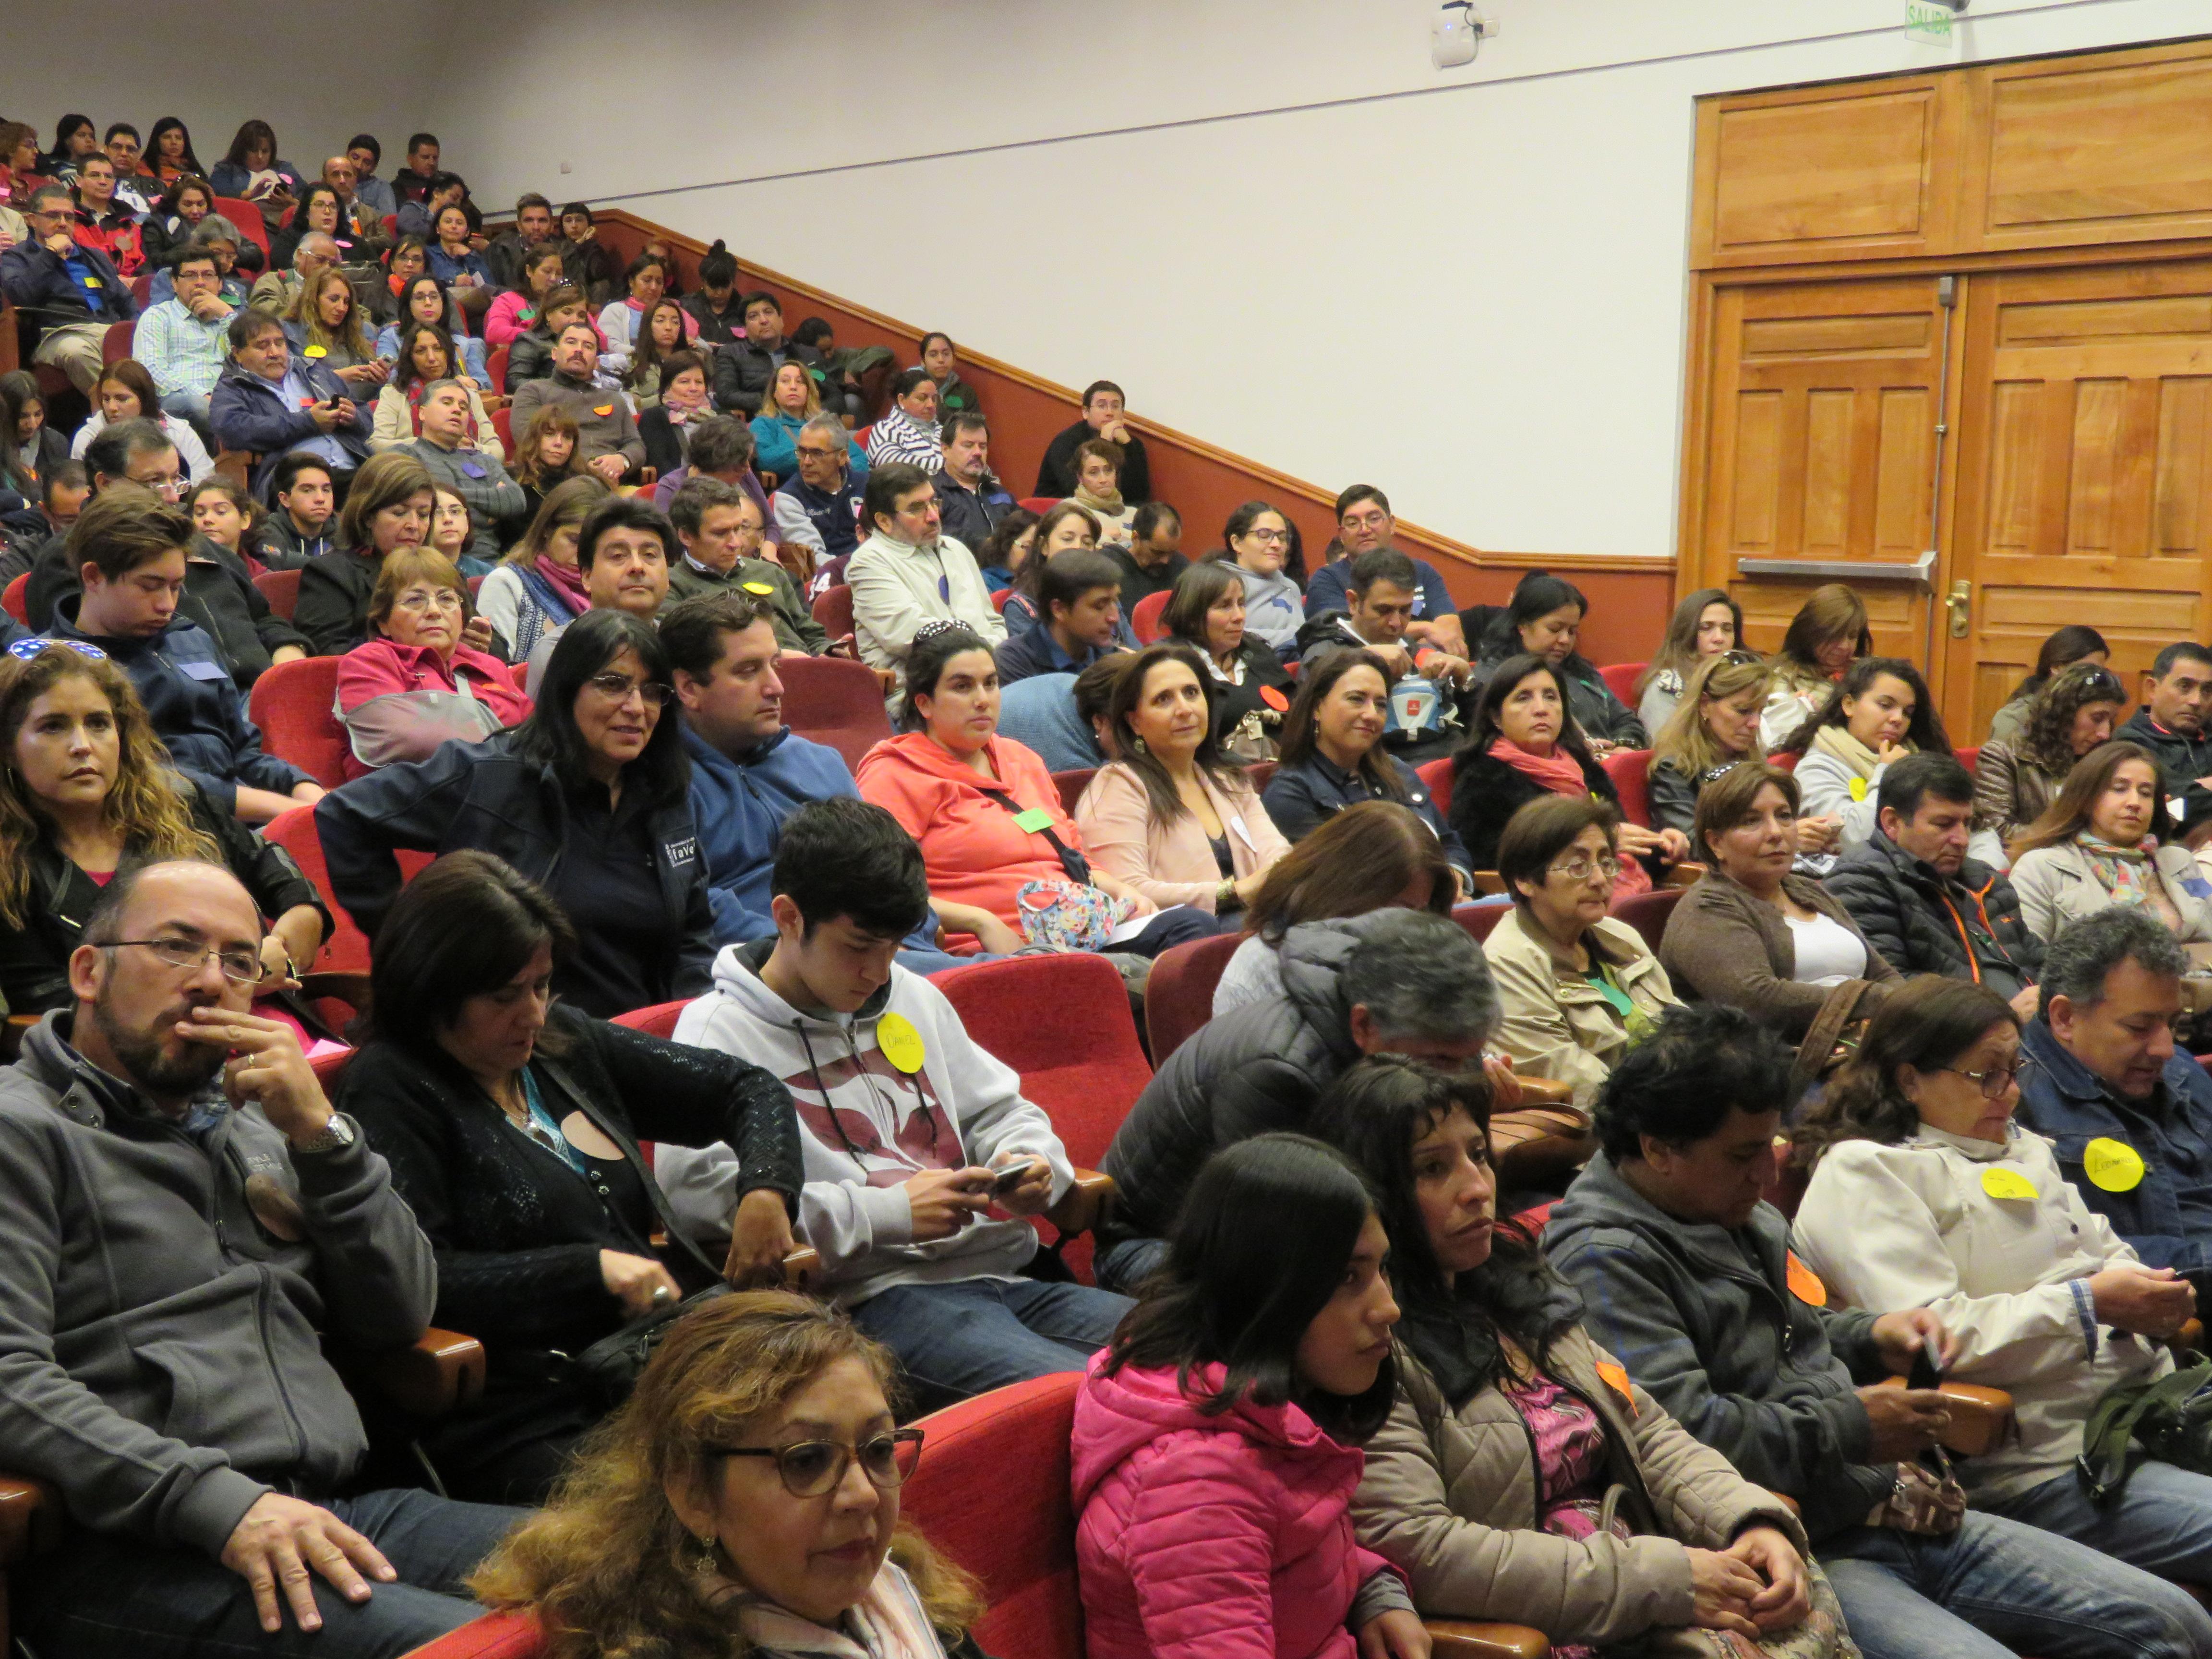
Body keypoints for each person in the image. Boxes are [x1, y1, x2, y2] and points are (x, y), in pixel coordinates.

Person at [1546, 1000, 2212, 1659]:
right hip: (1794, 1546)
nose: (1769, 1174)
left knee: (2177, 1625)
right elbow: (1685, 1439)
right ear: (1659, 1149)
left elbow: (1793, 1331)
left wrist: (1872, 1334)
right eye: (1745, 1154)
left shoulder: (1729, 1206)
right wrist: (1855, 1425)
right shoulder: (1606, 1257)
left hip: (1891, 1503)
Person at [0, 858, 525, 1657]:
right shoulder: (19, 1130)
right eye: (177, 949)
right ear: (87, 971)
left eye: (240, 961)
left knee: (639, 1569)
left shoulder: (261, 1124)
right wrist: (219, 1504)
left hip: (333, 1508)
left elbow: (402, 1315)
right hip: (137, 1547)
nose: (211, 982)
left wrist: (326, 1140)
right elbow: (7, 1376)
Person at [330, 850, 799, 1504]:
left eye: (542, 985)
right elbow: (422, 1281)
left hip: (653, 1363)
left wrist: (766, 1191)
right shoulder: (390, 1088)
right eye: (504, 997)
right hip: (525, 1410)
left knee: (814, 1444)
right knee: (731, 1494)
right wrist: (588, 1270)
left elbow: (746, 1088)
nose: (535, 1014)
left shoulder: (561, 1047)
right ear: (433, 990)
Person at [1316, 1058, 1820, 1655]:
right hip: (1563, 1631)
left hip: (1657, 1597)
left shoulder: (1514, 1286)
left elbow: (1648, 1431)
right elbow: (1419, 1547)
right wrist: (1663, 1580)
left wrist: (1747, 1519)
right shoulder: (1368, 1340)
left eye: (1478, 1154)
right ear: (1372, 1194)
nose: (1477, 1187)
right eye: (1432, 1168)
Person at [659, 796, 1130, 1407]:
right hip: (870, 1305)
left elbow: (999, 1110)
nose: (879, 973)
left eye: (895, 947)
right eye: (858, 948)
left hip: (1006, 1272)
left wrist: (1031, 1160)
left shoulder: (909, 994)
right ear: (789, 917)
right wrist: (889, 1214)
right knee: (1094, 1401)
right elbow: (706, 1201)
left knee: (1204, 1362)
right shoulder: (715, 1032)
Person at [1790, 976, 2212, 1585]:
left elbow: (2103, 1245)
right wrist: (2089, 1304)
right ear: (1909, 1079)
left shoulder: (2016, 1146)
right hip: (2044, 1462)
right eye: (1986, 1075)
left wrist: (2146, 1290)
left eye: (2015, 1070)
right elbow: (1932, 1341)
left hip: (2152, 1409)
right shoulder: (1868, 1172)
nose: (2011, 1093)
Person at [467, 1289, 994, 1659]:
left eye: (878, 1449)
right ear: (694, 1493)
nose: (863, 1496)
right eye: (807, 1460)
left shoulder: (903, 1598)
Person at [1073, 1133, 1421, 1659]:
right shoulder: (1196, 1479)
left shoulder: (1255, 1406)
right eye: (1348, 1277)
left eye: (1381, 1268)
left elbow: (1287, 1562)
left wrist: (1373, 1588)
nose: (1388, 1307)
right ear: (1267, 1285)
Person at [317, 611, 712, 1017]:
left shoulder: (666, 794)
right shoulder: (488, 775)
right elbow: (344, 815)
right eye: (613, 685)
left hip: (642, 1042)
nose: (636, 707)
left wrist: (687, 1024)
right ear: (566, 690)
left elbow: (694, 933)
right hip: (521, 1042)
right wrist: (408, 946)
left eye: (651, 691)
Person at [1096, 906, 1498, 1290]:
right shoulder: (1279, 1071)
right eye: (1440, 1060)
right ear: (1364, 1025)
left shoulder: (1432, 1033)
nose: (1457, 1079)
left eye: (1471, 1056)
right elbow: (1280, 1241)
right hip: (1160, 1246)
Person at [0, 640, 327, 1016]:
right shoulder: (12, 867)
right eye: (53, 727)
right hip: (122, 1060)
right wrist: (234, 974)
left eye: (99, 724)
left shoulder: (179, 802)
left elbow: (268, 864)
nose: (82, 746)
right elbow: (50, 1006)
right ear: (9, 748)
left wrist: (300, 917)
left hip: (264, 1022)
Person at [858, 621, 1220, 959]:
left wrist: (1120, 890)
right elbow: (880, 892)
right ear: (924, 703)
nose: (983, 699)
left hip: (1080, 931)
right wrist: (978, 920)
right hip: (992, 948)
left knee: (1193, 926)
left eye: (991, 683)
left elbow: (1072, 854)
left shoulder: (1020, 757)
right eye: (962, 687)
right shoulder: (895, 773)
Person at [50, 489, 323, 823]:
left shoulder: (191, 639)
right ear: (93, 577)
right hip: (161, 829)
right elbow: (144, 781)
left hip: (246, 819)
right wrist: (283, 810)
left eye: (177, 586)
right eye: (150, 586)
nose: (167, 604)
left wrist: (305, 790)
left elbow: (244, 752)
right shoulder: (59, 671)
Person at [31, 425, 306, 690]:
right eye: (155, 482)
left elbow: (265, 618)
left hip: (263, 690)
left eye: (175, 479)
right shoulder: (68, 556)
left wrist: (287, 655)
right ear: (106, 484)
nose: (174, 496)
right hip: (176, 700)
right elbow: (75, 660)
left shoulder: (195, 540)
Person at [1660, 763, 1898, 1038]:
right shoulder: (1707, 908)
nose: (1776, 832)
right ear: (1716, 843)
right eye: (1751, 821)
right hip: (1778, 1062)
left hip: (1863, 1043)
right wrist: (1876, 1001)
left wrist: (1908, 1003)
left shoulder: (1809, 891)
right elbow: (1759, 1002)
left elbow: (1882, 973)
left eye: (1785, 816)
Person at [1487, 795, 1683, 1106]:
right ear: (1525, 880)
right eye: (1578, 866)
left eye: (1606, 862)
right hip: (1617, 1125)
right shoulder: (1506, 964)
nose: (1599, 880)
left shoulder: (1620, 935)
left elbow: (1679, 1025)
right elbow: (1577, 1084)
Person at [1074, 643, 1289, 923]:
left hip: (1257, 921)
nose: (1185, 709)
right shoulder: (1118, 785)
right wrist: (1232, 893)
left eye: (1191, 693)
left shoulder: (1229, 780)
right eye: (1163, 699)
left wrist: (1276, 877)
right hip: (1182, 941)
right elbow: (1127, 891)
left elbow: (1278, 852)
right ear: (1135, 722)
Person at [1827, 752, 2044, 1020]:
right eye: (1944, 825)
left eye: (1967, 824)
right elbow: (1894, 991)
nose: (1962, 839)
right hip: (1963, 1041)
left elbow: (2038, 959)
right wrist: (2003, 1018)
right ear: (1892, 823)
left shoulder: (1987, 880)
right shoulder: (1861, 881)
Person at [1450, 653, 1681, 884]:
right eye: (1523, 698)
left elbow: (1623, 841)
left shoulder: (1586, 768)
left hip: (1609, 886)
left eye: (1551, 697)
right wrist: (1596, 843)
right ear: (1496, 718)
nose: (1541, 709)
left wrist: (1662, 846)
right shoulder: (1483, 779)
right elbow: (1489, 863)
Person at [1214, 801, 1456, 1015]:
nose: (1409, 928)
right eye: (1399, 910)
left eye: (1419, 912)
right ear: (1346, 890)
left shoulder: (1410, 958)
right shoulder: (1260, 973)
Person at [1262, 648, 1470, 878]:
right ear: (1316, 708)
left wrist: (1455, 876)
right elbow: (1334, 880)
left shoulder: (1397, 770)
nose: (1372, 714)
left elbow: (1451, 844)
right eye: (1356, 699)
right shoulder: (1290, 790)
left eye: (1381, 704)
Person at [335, 548, 532, 779]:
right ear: (383, 622)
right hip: (407, 803)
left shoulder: (491, 666)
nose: (434, 611)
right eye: (415, 600)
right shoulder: (368, 662)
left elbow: (540, 738)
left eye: (447, 599)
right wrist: (506, 738)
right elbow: (409, 740)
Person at [2008, 740, 2212, 943]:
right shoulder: (2041, 868)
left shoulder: (2180, 862)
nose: (2134, 803)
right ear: (2086, 799)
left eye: (2145, 793)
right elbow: (2026, 961)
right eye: (2119, 789)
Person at [848, 464, 1005, 710]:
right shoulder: (869, 562)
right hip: (918, 696)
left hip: (984, 682)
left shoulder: (956, 550)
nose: (933, 516)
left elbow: (993, 622)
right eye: (917, 509)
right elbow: (917, 639)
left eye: (933, 502)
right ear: (884, 521)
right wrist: (989, 658)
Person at [1782, 657, 1965, 865]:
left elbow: (1974, 828)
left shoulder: (1917, 757)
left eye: (1908, 713)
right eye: (1885, 705)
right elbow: (1855, 838)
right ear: (1849, 705)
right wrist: (1888, 772)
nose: (1898, 719)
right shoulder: (1817, 767)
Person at [207, 306, 371, 500]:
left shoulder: (313, 371)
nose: (274, 353)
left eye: (279, 343)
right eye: (262, 346)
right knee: (376, 489)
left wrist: (353, 417)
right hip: (289, 478)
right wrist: (309, 422)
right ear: (238, 354)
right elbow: (232, 429)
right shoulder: (232, 386)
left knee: (400, 474)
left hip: (352, 464)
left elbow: (366, 420)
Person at [1474, 573, 1646, 754]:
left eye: (1572, 632)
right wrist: (1579, 751)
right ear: (1523, 626)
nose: (1565, 640)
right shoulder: (1494, 675)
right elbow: (1492, 739)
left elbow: (1626, 721)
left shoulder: (1582, 672)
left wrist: (1624, 746)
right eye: (1554, 629)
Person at [518, 496, 674, 694]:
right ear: (587, 577)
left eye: (650, 555)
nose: (637, 566)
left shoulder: (682, 650)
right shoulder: (559, 652)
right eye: (618, 556)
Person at [1974, 659, 2131, 854]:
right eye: (2097, 719)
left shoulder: (2104, 761)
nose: (2105, 733)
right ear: (2064, 713)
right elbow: (1999, 831)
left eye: (2111, 721)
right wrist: (2074, 838)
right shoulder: (2004, 755)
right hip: (2027, 864)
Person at [294, 450, 438, 656]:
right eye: (399, 513)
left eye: (423, 515)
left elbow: (493, 644)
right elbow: (329, 653)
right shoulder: (331, 574)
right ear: (368, 516)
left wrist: (480, 640)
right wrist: (414, 653)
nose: (414, 525)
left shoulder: (440, 571)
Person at [2, 183, 135, 394]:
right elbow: (21, 297)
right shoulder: (16, 257)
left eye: (69, 217)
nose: (63, 223)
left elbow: (125, 300)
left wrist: (138, 329)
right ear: (31, 220)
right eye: (53, 216)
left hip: (105, 327)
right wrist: (50, 253)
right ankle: (116, 413)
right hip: (57, 333)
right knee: (76, 351)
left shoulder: (94, 257)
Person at [664, 477, 823, 652]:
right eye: (720, 533)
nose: (736, 543)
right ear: (686, 536)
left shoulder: (770, 572)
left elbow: (811, 634)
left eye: (738, 529)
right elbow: (692, 654)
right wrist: (777, 657)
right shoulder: (670, 586)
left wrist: (828, 650)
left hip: (805, 669)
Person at [1646, 649, 1789, 838]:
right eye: (1743, 710)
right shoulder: (1673, 771)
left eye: (1760, 712)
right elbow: (1695, 845)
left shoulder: (1754, 761)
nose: (1755, 723)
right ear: (1705, 705)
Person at [1161, 556, 1292, 762]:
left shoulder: (1256, 650)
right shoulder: (1169, 665)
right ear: (1192, 613)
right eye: (1225, 606)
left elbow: (1297, 709)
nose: (1239, 616)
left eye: (1241, 604)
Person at [1310, 485, 1465, 657]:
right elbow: (1352, 636)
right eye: (1353, 523)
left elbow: (1449, 632)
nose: (1365, 530)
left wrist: (1422, 647)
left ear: (1392, 524)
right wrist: (1426, 629)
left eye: (1374, 519)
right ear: (1342, 535)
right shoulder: (1327, 579)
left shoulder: (1422, 571)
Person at [385, 377, 526, 562]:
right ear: (422, 414)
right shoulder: (403, 455)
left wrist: (448, 499)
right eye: (447, 402)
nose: (457, 410)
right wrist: (489, 506)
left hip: (490, 563)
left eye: (464, 406)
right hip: (428, 562)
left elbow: (516, 500)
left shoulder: (486, 461)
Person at [476, 475, 608, 665]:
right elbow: (493, 670)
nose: (582, 554)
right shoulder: (507, 583)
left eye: (593, 545)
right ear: (547, 530)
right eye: (574, 541)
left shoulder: (608, 588)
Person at [508, 320, 645, 484]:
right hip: (559, 483)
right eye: (571, 342)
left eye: (588, 346)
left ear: (596, 361)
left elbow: (636, 444)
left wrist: (622, 460)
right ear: (554, 353)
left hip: (613, 484)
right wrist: (587, 468)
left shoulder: (614, 399)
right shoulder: (533, 391)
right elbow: (528, 441)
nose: (579, 350)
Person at [131, 248, 235, 428]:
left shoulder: (228, 320)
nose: (200, 283)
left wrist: (227, 314)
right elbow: (151, 370)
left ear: (220, 284)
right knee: (200, 408)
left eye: (208, 275)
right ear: (175, 283)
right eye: (190, 276)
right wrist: (203, 395)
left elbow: (249, 360)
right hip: (178, 399)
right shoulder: (158, 316)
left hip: (231, 398)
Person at [68, 356, 216, 481]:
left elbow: (202, 483)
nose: (112, 407)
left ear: (144, 399)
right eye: (106, 399)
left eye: (122, 399)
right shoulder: (88, 437)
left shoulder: (179, 433)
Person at [1760, 584, 1871, 750]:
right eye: (1835, 635)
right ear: (1810, 632)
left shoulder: (1868, 676)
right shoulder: (1782, 678)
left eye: (1852, 636)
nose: (1844, 645)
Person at [994, 548, 1129, 684]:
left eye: (1115, 602)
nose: (1114, 617)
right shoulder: (1014, 662)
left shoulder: (1113, 661)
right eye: (1100, 606)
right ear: (1059, 609)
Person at [772, 412, 869, 590]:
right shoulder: (789, 498)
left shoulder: (868, 485)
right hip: (830, 582)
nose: (807, 462)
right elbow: (814, 558)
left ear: (842, 457)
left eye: (817, 453)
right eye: (802, 452)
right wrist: (862, 571)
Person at [1636, 587, 1743, 738]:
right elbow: (1668, 751)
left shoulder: (1744, 679)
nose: (1719, 638)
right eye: (1706, 628)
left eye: (1727, 629)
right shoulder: (1666, 689)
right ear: (1687, 633)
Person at [996, 652, 1124, 778]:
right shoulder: (1070, 764)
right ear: (1100, 722)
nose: (1140, 747)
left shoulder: (1083, 686)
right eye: (1132, 734)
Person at [2118, 641, 2212, 802]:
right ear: (2152, 688)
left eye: (2207, 690)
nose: (2197, 701)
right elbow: (2169, 796)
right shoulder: (2128, 742)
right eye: (2185, 686)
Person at [711, 290, 827, 418]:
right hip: (759, 420)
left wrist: (814, 411)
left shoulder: (809, 354)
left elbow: (832, 394)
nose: (764, 320)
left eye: (768, 312)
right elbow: (726, 394)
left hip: (808, 421)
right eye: (753, 316)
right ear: (745, 328)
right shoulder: (731, 353)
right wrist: (775, 400)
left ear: (781, 319)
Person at [1988, 625, 2109, 746]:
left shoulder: (2092, 714)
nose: (2095, 680)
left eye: (2099, 673)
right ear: (2057, 667)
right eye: (2087, 671)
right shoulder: (2016, 718)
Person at [749, 358, 866, 482]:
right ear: (774, 392)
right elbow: (765, 459)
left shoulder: (825, 424)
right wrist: (823, 456)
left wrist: (834, 469)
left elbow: (860, 460)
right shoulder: (764, 423)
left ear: (809, 391)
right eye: (785, 381)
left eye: (800, 382)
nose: (793, 387)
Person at [1035, 379, 1151, 502]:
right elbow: (1079, 491)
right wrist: (1104, 444)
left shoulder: (1132, 444)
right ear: (1086, 412)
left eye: (1116, 406)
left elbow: (1141, 496)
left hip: (1116, 513)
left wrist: (1129, 446)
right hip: (1062, 510)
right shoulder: (1066, 442)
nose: (1109, 413)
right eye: (1102, 406)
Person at [1001, 501, 1105, 634]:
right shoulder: (1022, 607)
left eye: (1087, 543)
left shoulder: (1105, 596)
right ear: (1044, 546)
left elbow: (1132, 651)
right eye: (1068, 539)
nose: (1078, 547)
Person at [373, 274, 491, 386]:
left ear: (443, 303)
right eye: (420, 298)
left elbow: (485, 382)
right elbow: (389, 379)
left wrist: (474, 383)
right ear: (408, 304)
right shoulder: (391, 337)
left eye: (434, 297)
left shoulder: (461, 343)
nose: (428, 303)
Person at [284, 269, 388, 396]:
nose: (342, 308)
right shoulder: (288, 331)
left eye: (346, 302)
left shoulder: (362, 332)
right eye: (334, 299)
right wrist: (338, 377)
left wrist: (381, 378)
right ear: (314, 299)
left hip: (362, 410)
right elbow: (288, 383)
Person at [1222, 498, 1304, 656]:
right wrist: (1296, 636)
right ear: (1237, 543)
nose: (1276, 544)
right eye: (1264, 535)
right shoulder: (1221, 584)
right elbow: (1226, 638)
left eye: (1281, 537)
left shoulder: (1291, 587)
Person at [932, 410, 1013, 553]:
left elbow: (1023, 528)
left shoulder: (999, 491)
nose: (978, 453)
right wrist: (989, 545)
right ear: (945, 450)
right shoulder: (932, 493)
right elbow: (936, 536)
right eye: (968, 445)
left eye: (983, 446)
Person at [594, 252, 681, 373]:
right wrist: (650, 357)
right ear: (631, 282)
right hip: (625, 371)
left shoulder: (673, 311)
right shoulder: (615, 310)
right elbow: (611, 345)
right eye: (647, 280)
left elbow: (700, 346)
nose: (654, 287)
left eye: (659, 282)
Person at [502, 282, 595, 393]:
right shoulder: (530, 341)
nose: (575, 320)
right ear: (549, 314)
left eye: (581, 315)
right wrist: (561, 389)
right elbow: (514, 383)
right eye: (567, 313)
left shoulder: (589, 345)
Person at [209, 118, 306, 222]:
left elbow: (310, 198)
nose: (260, 157)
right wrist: (250, 195)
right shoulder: (227, 170)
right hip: (245, 225)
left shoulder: (286, 169)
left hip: (286, 226)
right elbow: (217, 195)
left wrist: (291, 202)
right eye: (254, 151)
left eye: (265, 151)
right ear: (242, 151)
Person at [68, 152, 146, 280]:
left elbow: (145, 265)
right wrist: (113, 282)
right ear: (79, 181)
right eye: (95, 175)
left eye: (109, 177)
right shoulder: (67, 219)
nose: (103, 182)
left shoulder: (130, 222)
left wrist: (135, 283)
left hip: (130, 291)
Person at [637, 348, 715, 470]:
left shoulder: (719, 418)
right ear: (668, 386)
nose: (694, 388)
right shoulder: (654, 418)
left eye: (699, 382)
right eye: (685, 382)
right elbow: (661, 468)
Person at [483, 241, 568, 351]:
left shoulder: (569, 301)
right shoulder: (508, 300)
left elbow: (596, 337)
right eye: (547, 271)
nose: (553, 278)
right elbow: (494, 333)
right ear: (529, 271)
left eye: (559, 274)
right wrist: (544, 336)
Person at [510, 402, 585, 521]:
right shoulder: (511, 480)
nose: (559, 443)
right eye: (550, 434)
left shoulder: (584, 482)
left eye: (567, 437)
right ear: (535, 438)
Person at [1110, 500, 1187, 614]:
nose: (1166, 561)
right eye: (1157, 553)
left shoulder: (1182, 566)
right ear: (1135, 537)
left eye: (1172, 553)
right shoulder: (1110, 567)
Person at [261, 452, 337, 566]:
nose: (320, 499)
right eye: (307, 490)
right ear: (285, 499)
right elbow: (278, 560)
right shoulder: (268, 531)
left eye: (326, 490)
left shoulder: (345, 533)